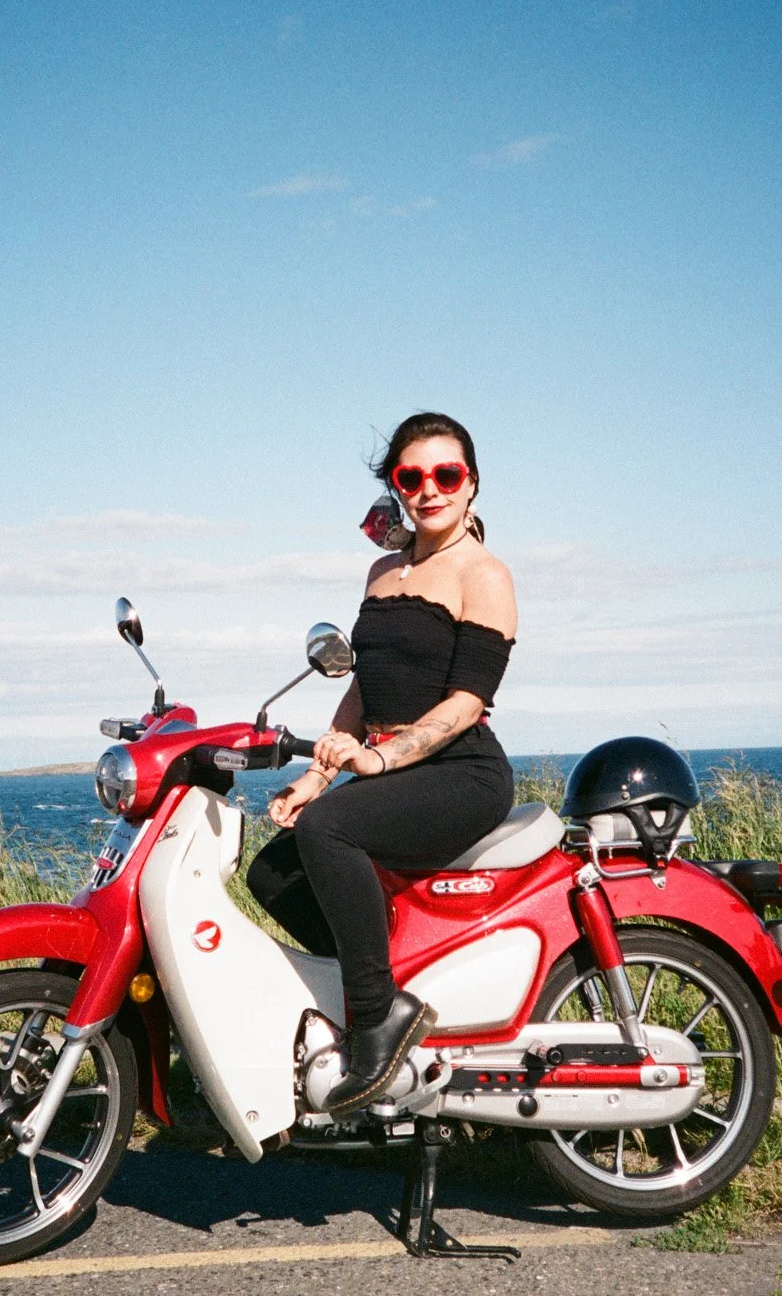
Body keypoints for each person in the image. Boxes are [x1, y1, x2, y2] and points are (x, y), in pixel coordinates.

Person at [249, 411, 518, 1114]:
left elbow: (466, 703)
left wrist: (381, 757)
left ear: (471, 484)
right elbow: (363, 686)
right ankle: (397, 982)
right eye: (412, 476)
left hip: (461, 770)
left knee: (329, 833)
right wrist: (317, 775)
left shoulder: (483, 574)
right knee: (271, 870)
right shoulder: (383, 571)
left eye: (446, 474)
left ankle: (377, 1019)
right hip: (388, 762)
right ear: (397, 485)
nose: (429, 489)